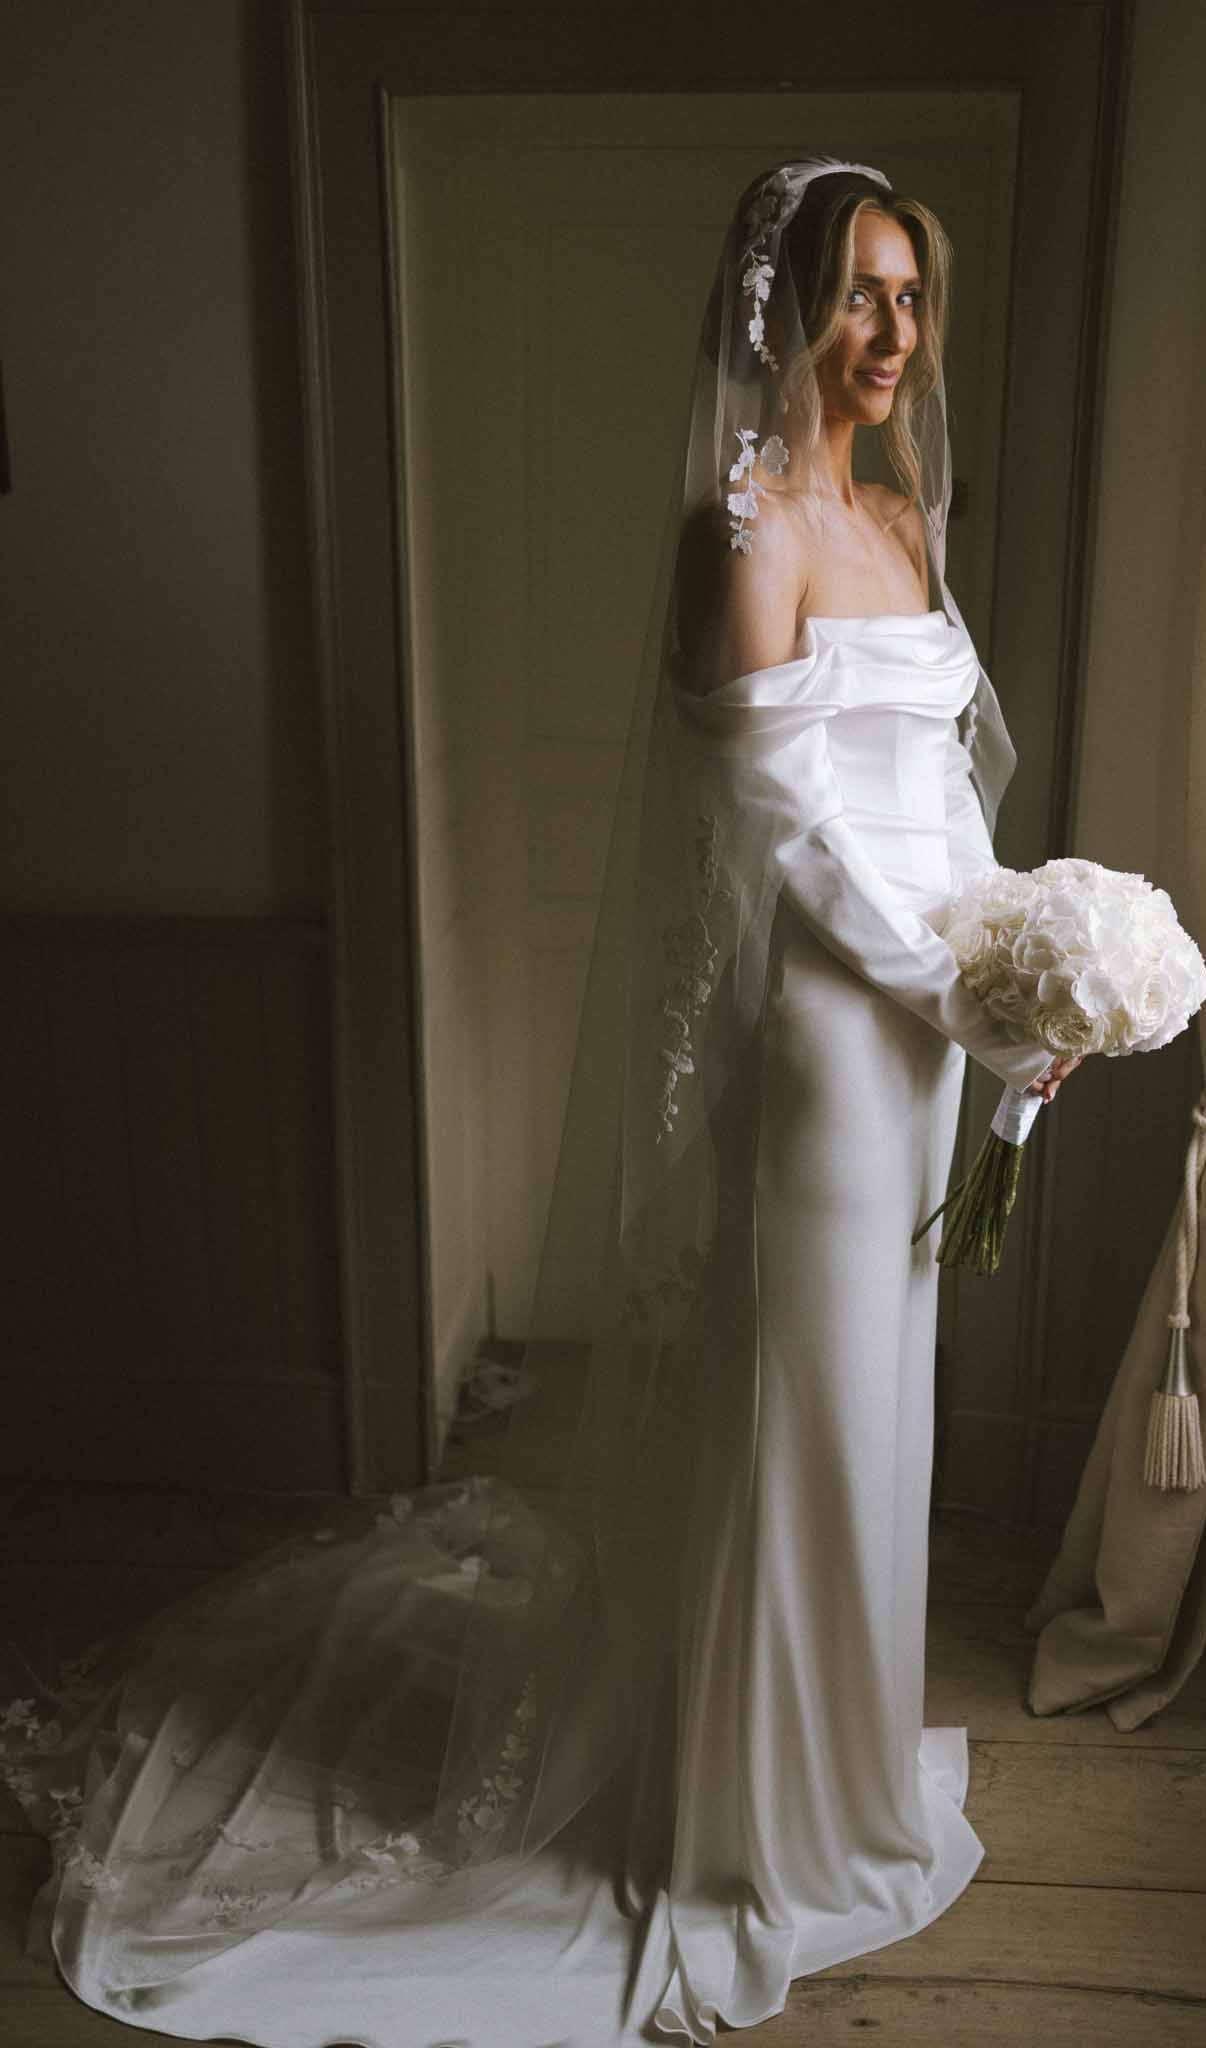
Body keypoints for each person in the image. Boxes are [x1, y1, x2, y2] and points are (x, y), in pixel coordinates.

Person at [0, 158, 1080, 2047]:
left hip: (930, 1032)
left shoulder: (902, 522)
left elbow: (937, 798)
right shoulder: (740, 535)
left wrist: (1015, 959)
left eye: (911, 296)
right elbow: (782, 829)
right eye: (860, 295)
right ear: (781, 313)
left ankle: (829, 1763)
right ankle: (757, 1819)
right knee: (805, 1413)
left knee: (879, 1414)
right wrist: (936, 981)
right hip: (828, 1041)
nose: (896, 334)